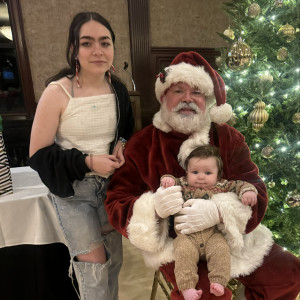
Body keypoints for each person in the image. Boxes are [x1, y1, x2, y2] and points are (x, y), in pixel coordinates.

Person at [105, 51, 300, 300]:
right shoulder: (142, 143)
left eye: (196, 92)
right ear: (164, 96)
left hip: (231, 236)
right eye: (178, 90)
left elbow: (255, 187)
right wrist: (153, 209)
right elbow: (116, 200)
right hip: (177, 244)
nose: (188, 98)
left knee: (289, 274)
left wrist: (221, 212)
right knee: (204, 295)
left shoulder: (228, 137)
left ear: (206, 99)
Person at [28, 12, 134, 300]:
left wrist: (121, 144)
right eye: (87, 43)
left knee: (113, 266)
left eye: (105, 42)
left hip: (111, 190)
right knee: (95, 274)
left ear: (113, 47)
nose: (98, 51)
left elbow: (126, 130)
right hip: (75, 193)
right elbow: (38, 155)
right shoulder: (58, 92)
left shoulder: (119, 90)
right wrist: (87, 161)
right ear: (74, 49)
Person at [160, 145, 258, 299]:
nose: (201, 177)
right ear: (186, 173)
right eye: (195, 172)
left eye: (208, 173)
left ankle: (219, 281)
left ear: (218, 175)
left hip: (212, 234)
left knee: (221, 250)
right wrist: (167, 180)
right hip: (187, 236)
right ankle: (186, 287)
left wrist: (248, 191)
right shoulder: (183, 184)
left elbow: (239, 184)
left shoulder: (221, 186)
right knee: (183, 254)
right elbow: (171, 180)